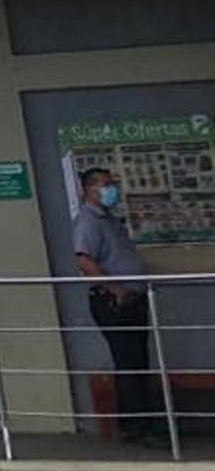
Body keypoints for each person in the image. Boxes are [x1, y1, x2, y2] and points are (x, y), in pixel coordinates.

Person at [73, 167, 165, 446]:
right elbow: (84, 260)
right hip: (114, 301)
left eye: (112, 183)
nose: (112, 189)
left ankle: (140, 422)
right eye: (105, 184)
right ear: (90, 189)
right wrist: (118, 290)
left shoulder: (110, 220)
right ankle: (137, 427)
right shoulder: (88, 221)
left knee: (137, 361)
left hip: (131, 298)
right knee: (128, 362)